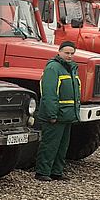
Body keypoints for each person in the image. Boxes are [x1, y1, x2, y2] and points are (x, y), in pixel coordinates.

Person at [36, 41, 81, 182]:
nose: (69, 56)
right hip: (56, 115)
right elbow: (49, 93)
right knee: (50, 144)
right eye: (67, 53)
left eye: (72, 53)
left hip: (67, 115)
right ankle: (42, 172)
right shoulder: (53, 68)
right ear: (59, 52)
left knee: (62, 146)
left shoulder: (71, 69)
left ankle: (56, 171)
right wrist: (52, 114)